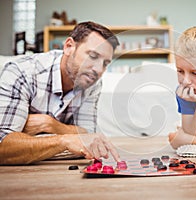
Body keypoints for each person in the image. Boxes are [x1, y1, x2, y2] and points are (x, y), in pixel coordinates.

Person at [0, 21, 121, 165]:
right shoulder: (21, 72)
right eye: (93, 56)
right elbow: (3, 146)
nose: (99, 69)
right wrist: (65, 140)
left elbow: (88, 137)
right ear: (69, 47)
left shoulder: (91, 82)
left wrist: (49, 124)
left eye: (105, 63)